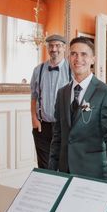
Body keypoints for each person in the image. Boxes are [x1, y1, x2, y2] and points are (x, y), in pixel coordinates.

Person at [48, 37, 107, 182]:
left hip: (93, 171)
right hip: (65, 171)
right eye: (73, 54)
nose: (78, 59)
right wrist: (51, 170)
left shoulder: (106, 93)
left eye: (84, 54)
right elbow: (57, 136)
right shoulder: (62, 93)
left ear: (93, 59)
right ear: (69, 57)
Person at [30, 34, 71, 169]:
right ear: (47, 48)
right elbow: (34, 96)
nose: (54, 49)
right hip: (43, 127)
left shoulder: (72, 70)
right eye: (51, 45)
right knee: (45, 166)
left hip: (64, 126)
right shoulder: (38, 70)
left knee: (64, 165)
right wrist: (34, 119)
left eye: (58, 45)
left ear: (64, 48)